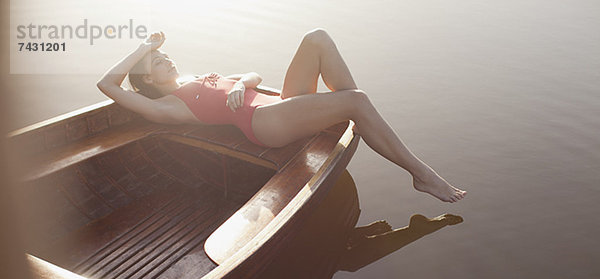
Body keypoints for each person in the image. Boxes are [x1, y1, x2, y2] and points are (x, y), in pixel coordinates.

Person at [97, 29, 466, 203]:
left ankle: (353, 111)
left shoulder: (193, 78)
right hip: (265, 124)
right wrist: (143, 47)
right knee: (357, 101)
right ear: (147, 80)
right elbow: (107, 85)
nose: (166, 59)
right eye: (157, 63)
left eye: (163, 56)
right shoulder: (168, 106)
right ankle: (421, 174)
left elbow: (254, 76)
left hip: (276, 104)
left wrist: (242, 82)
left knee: (317, 39)